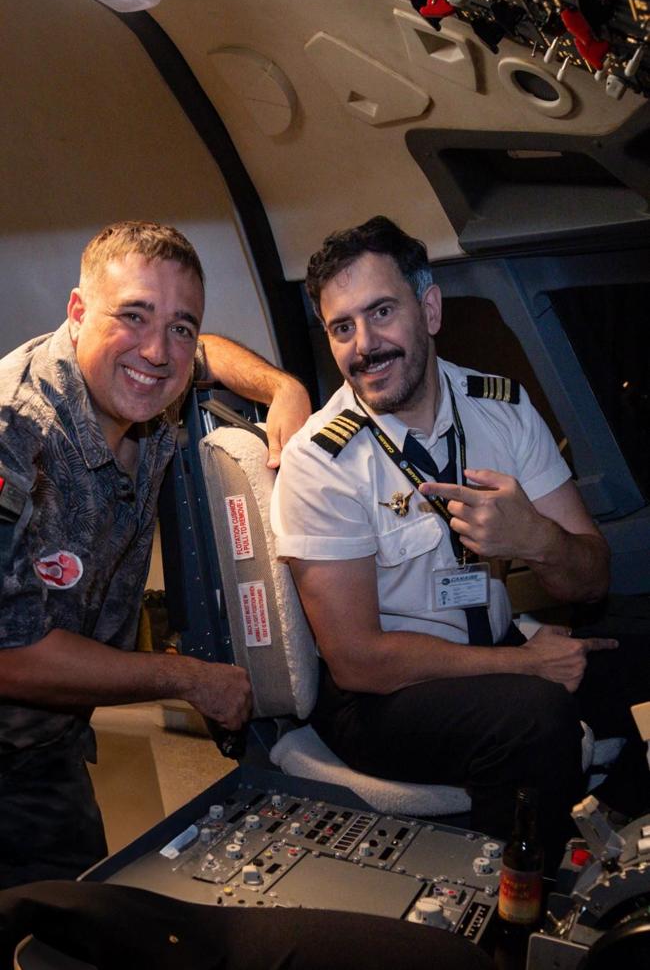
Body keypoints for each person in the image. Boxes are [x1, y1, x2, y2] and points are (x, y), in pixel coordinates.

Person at [271, 215, 650, 869]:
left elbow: (589, 577)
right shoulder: (321, 461)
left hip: (494, 648)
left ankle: (616, 834)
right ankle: (518, 911)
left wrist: (536, 538)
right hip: (382, 699)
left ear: (430, 308)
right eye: (342, 327)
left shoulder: (499, 407)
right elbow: (359, 659)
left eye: (382, 311)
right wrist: (524, 662)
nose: (364, 345)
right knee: (535, 715)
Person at [0, 220, 312, 889]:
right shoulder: (14, 432)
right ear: (78, 312)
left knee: (76, 925)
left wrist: (283, 389)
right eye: (134, 315)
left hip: (44, 753)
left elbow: (208, 356)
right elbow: (11, 656)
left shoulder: (149, 381)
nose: (157, 350)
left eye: (179, 325)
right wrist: (190, 677)